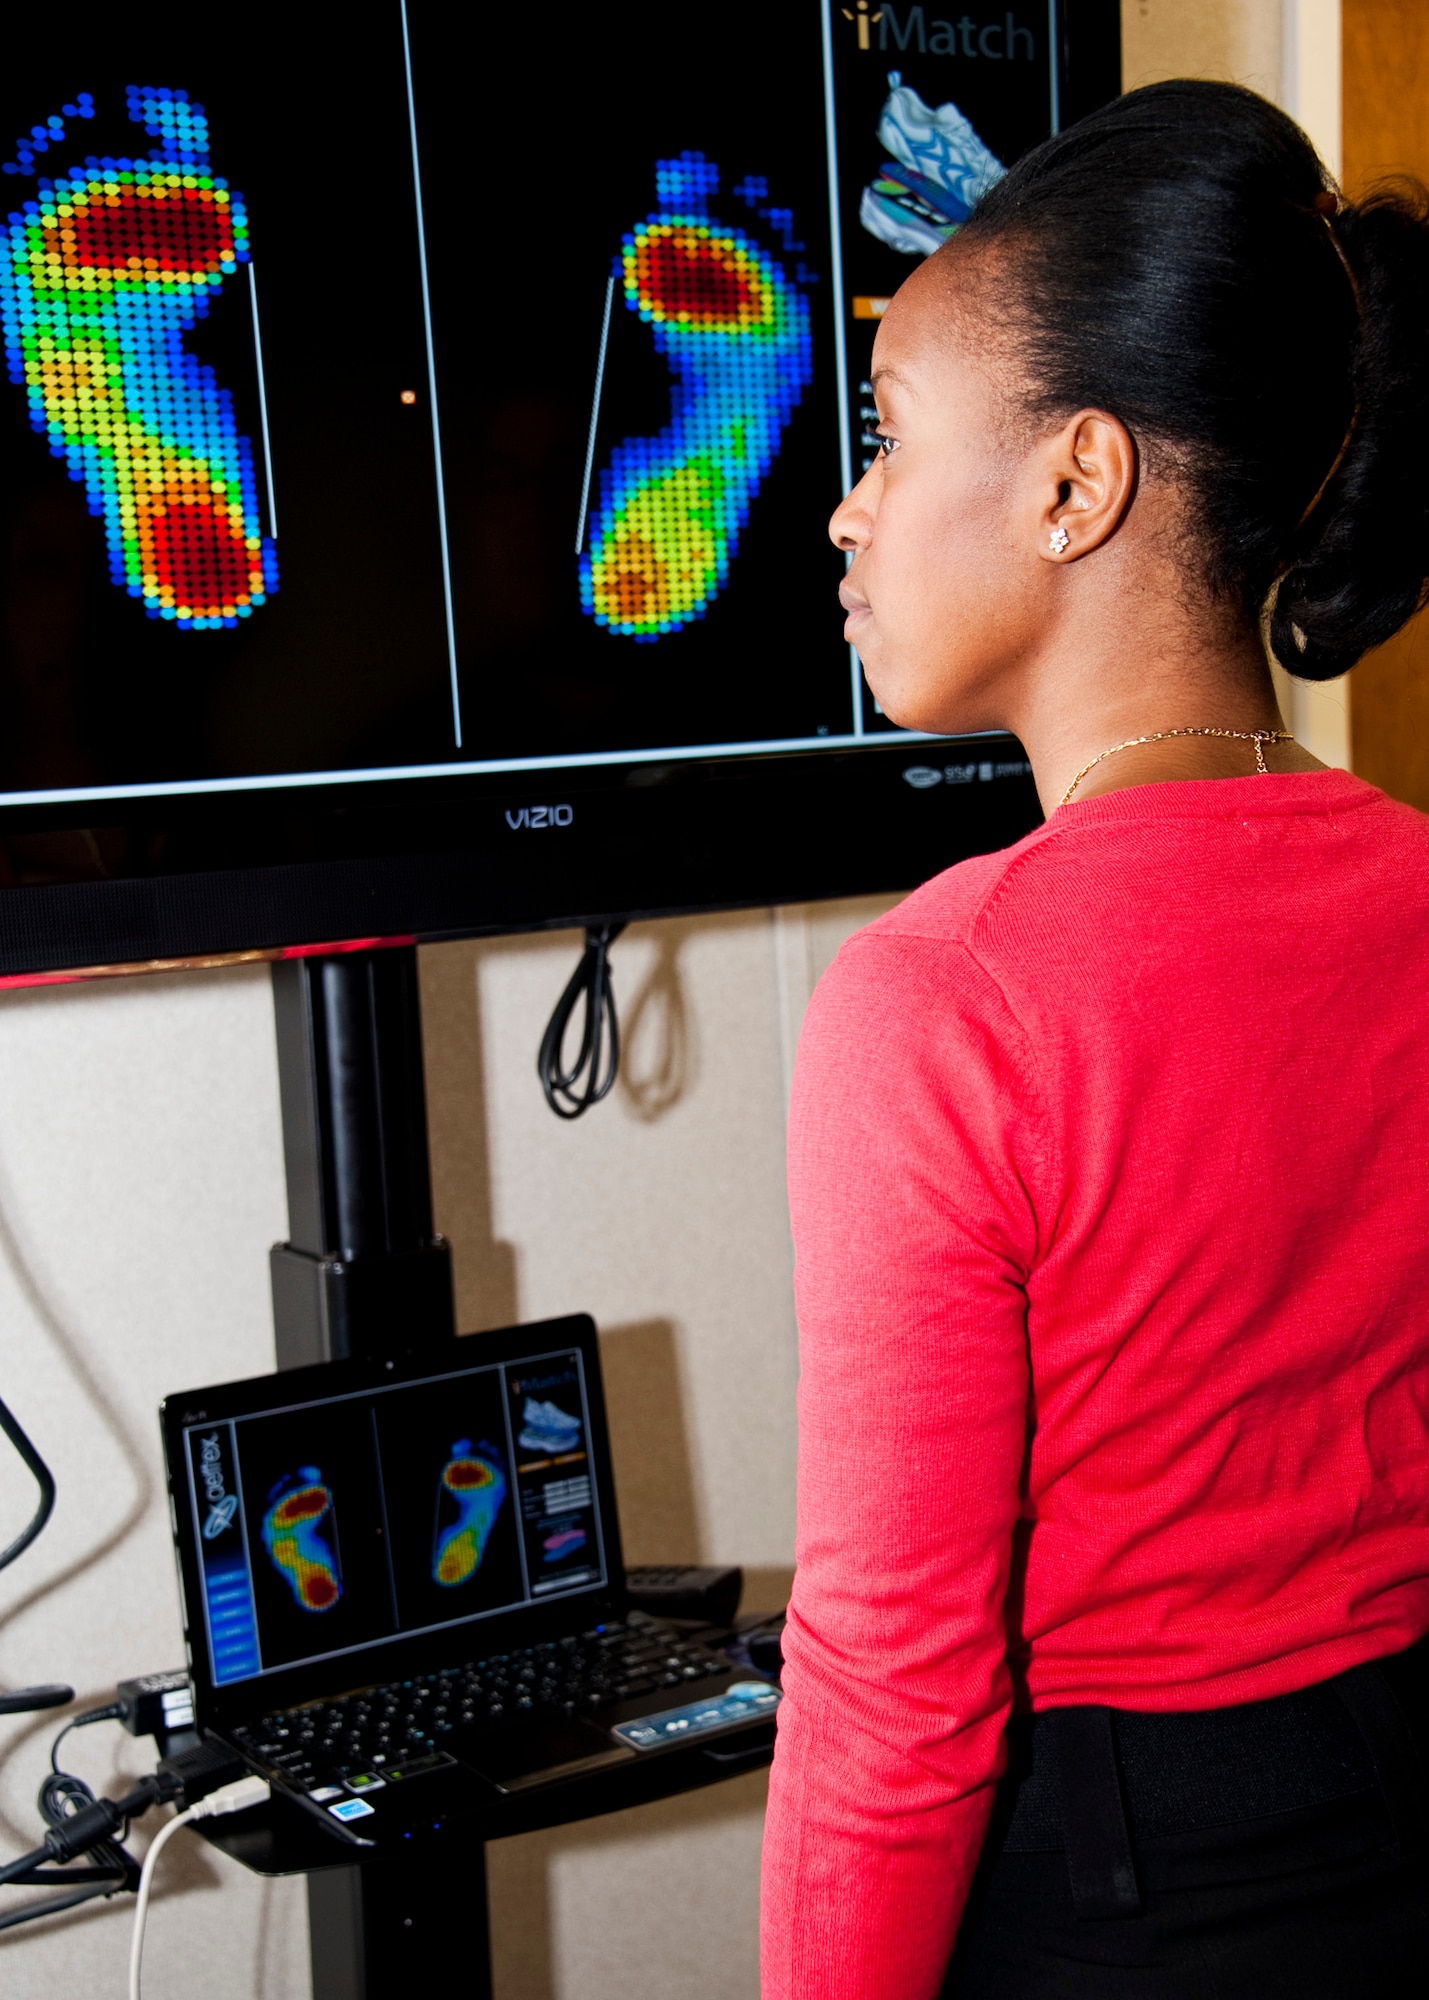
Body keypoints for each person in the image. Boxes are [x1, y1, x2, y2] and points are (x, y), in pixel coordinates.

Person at [761, 79, 1429, 1999]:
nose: (846, 506)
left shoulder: (942, 1000)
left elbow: (896, 1687)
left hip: (1125, 1887)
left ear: (1075, 483)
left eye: (887, 440)